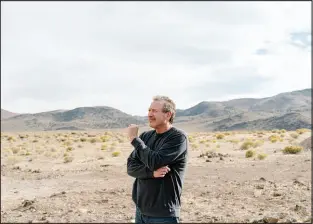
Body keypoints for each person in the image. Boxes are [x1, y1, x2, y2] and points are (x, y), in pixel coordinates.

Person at [126, 96, 188, 224]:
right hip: (141, 211)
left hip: (163, 214)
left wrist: (134, 139)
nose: (149, 114)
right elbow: (131, 167)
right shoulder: (146, 136)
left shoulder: (178, 138)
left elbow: (156, 162)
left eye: (154, 111)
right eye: (149, 110)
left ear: (168, 115)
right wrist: (152, 173)